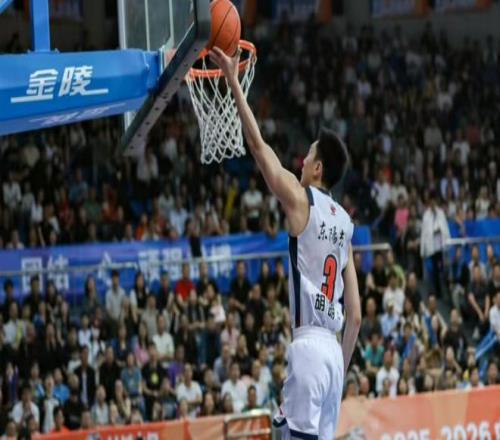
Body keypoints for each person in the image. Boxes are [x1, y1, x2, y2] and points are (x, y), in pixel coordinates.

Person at [210, 47, 361, 439]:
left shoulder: (300, 198)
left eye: (307, 156)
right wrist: (339, 367)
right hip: (333, 355)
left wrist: (233, 81)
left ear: (318, 168)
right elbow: (356, 316)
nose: (301, 162)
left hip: (309, 344)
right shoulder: (345, 225)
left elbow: (259, 148)